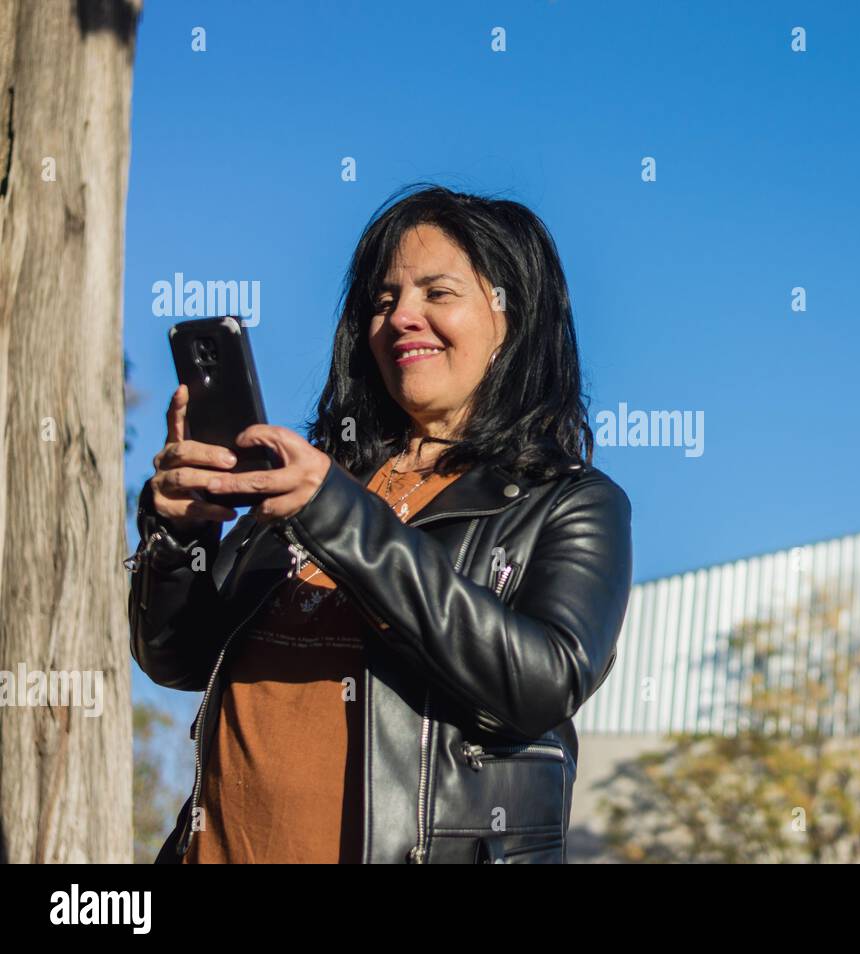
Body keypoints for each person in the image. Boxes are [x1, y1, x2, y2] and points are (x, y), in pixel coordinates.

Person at [125, 185, 634, 863]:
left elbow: (538, 685)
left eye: (437, 293)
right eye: (383, 300)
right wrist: (179, 532)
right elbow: (177, 658)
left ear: (512, 316)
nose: (402, 318)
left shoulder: (573, 503)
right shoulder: (312, 477)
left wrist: (337, 515)